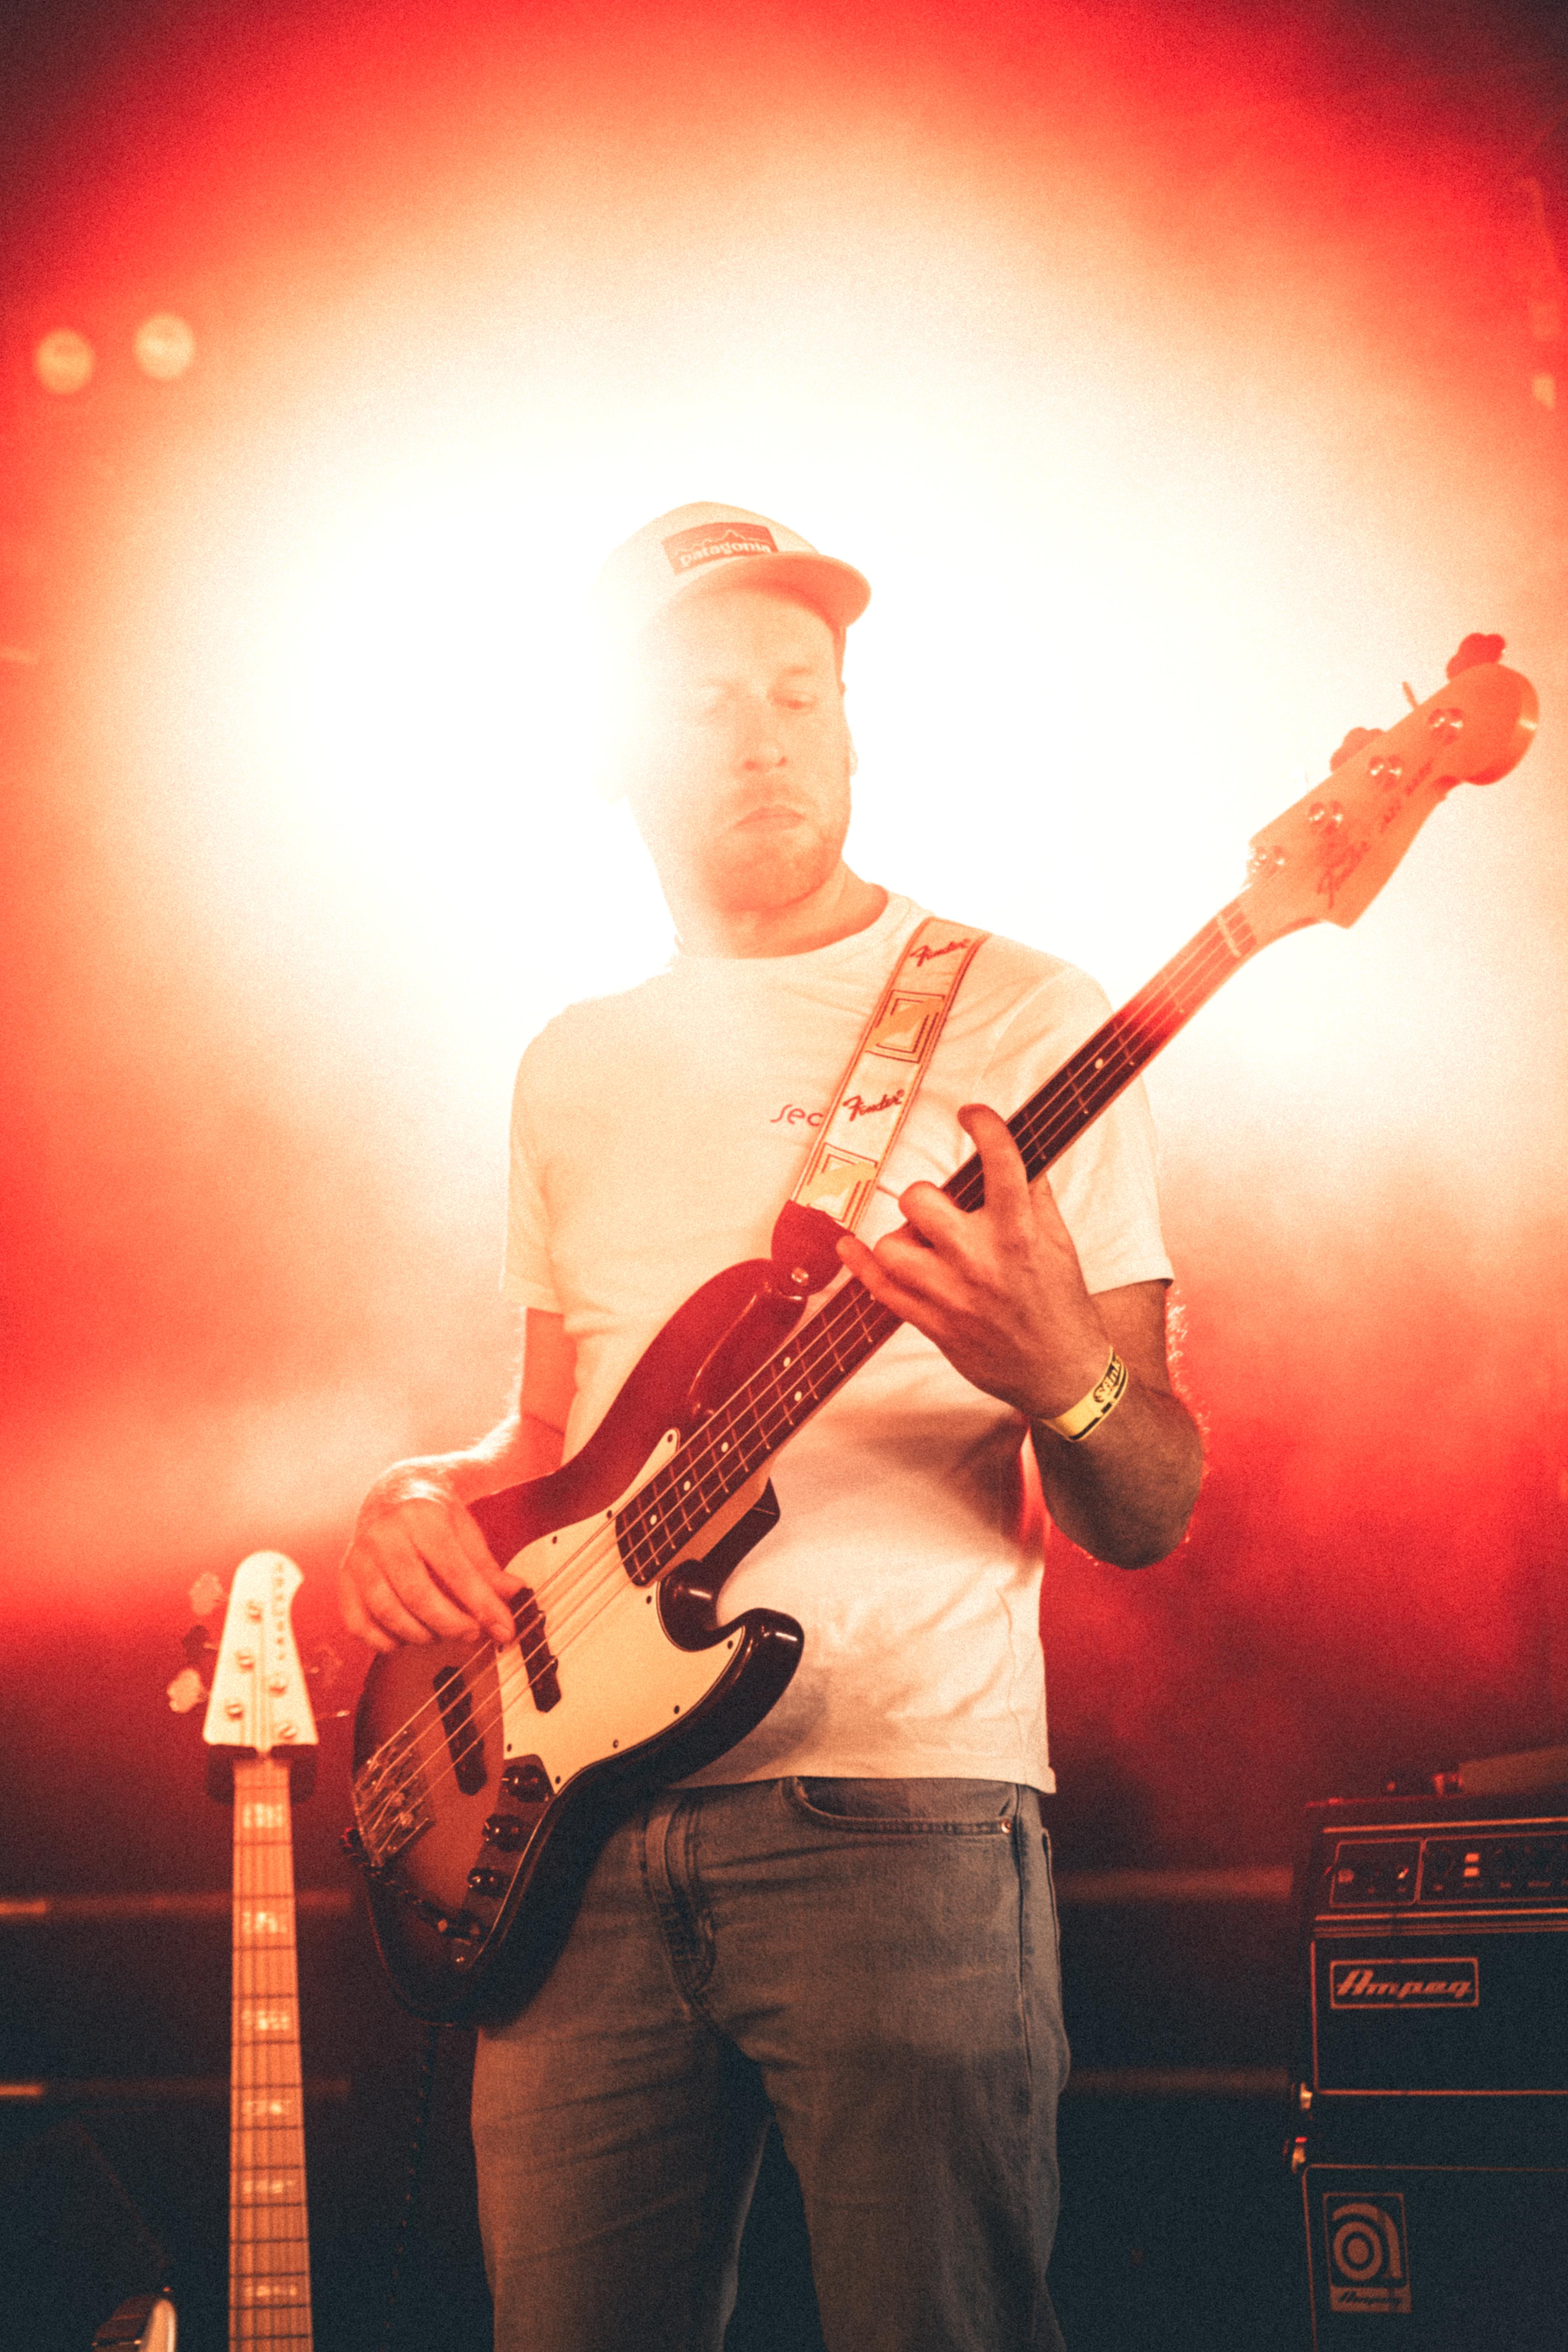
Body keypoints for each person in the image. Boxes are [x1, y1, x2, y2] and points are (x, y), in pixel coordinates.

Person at [338, 501, 1204, 2352]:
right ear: (612, 754)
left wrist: (1063, 1372)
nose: (766, 738)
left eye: (802, 694)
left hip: (896, 1810)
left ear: (854, 727)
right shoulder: (571, 1060)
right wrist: (420, 1495)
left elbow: (1148, 1497)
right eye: (711, 700)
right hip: (570, 1837)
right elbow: (551, 1437)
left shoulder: (1026, 1019)